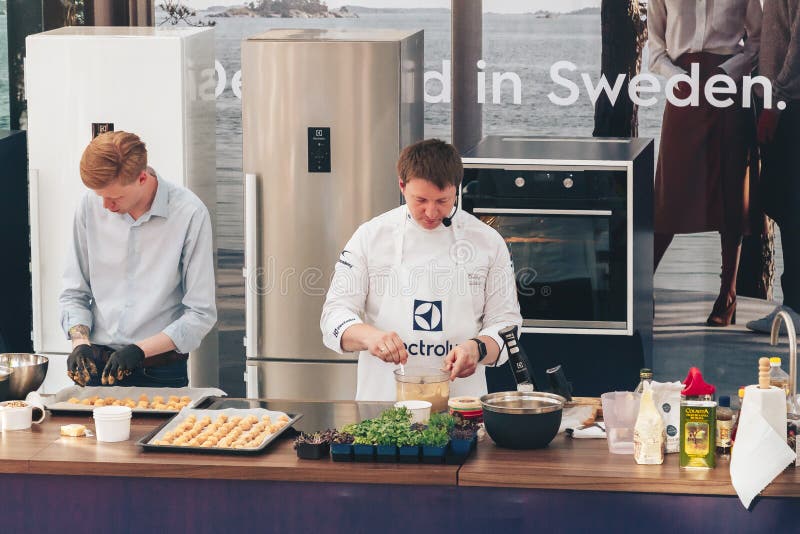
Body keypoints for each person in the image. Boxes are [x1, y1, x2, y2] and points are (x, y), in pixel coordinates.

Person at [320, 139, 522, 401]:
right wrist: (370, 338)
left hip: (461, 406)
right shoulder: (370, 236)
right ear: (402, 186)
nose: (431, 211)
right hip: (383, 406)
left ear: (456, 190)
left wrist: (478, 349)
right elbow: (333, 317)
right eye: (421, 200)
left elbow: (506, 325)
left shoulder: (487, 242)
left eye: (443, 200)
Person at [60, 131, 217, 387]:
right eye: (101, 196)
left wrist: (139, 350)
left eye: (115, 197)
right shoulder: (90, 206)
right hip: (97, 366)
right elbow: (73, 293)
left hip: (159, 370)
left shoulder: (189, 213)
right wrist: (80, 343)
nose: (106, 206)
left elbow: (200, 314)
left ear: (142, 177)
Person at [648, 0, 762, 326]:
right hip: (683, 91)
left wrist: (726, 72)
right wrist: (678, 77)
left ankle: (728, 294)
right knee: (671, 192)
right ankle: (641, 289)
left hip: (729, 90)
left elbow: (756, 40)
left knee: (730, 189)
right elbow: (654, 50)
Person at [746, 0, 800, 333]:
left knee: (788, 205)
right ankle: (793, 302)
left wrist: (775, 102)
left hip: (791, 106)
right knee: (783, 203)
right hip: (785, 103)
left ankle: (794, 306)